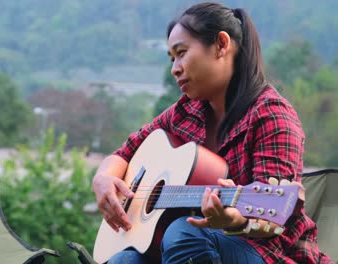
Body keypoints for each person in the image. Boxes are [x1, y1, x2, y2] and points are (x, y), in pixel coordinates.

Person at [92, 2, 332, 264]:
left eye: (182, 53)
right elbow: (125, 153)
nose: (175, 68)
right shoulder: (185, 112)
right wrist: (103, 178)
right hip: (188, 246)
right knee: (123, 261)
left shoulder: (272, 116)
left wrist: (232, 219)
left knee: (185, 232)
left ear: (221, 44)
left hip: (269, 253)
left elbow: (272, 220)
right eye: (172, 58)